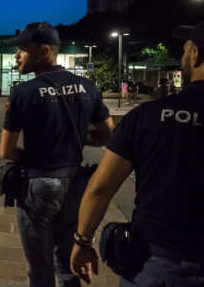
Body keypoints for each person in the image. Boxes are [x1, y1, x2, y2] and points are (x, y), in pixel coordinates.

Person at [70, 22, 204, 286]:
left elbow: (100, 188)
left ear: (196, 54)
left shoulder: (148, 116)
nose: (183, 55)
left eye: (186, 49)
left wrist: (82, 241)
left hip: (155, 262)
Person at [0, 22, 114, 287]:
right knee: (68, 263)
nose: (17, 55)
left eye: (23, 49)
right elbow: (108, 135)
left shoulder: (23, 93)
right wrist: (76, 138)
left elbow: (6, 150)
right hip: (75, 183)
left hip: (38, 185)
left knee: (40, 268)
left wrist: (35, 158)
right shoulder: (87, 87)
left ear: (44, 51)